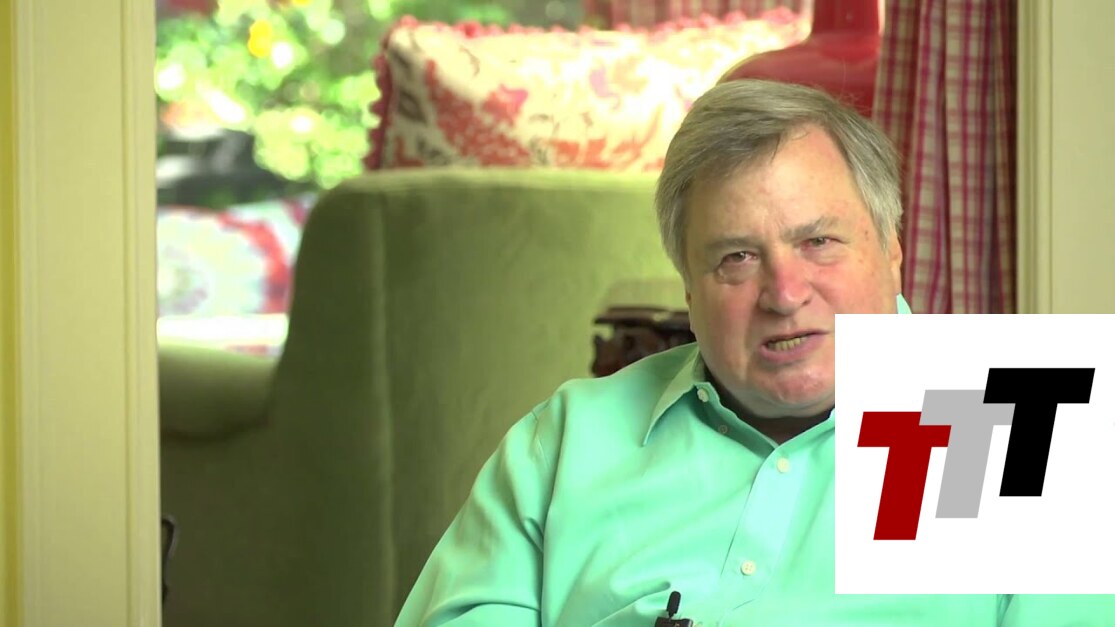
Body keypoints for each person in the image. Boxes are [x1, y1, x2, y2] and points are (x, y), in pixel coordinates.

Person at [395, 80, 1114, 626]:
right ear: (688, 287)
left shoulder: (1028, 418)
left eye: (818, 241)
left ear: (892, 248)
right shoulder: (566, 440)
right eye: (736, 257)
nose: (785, 292)